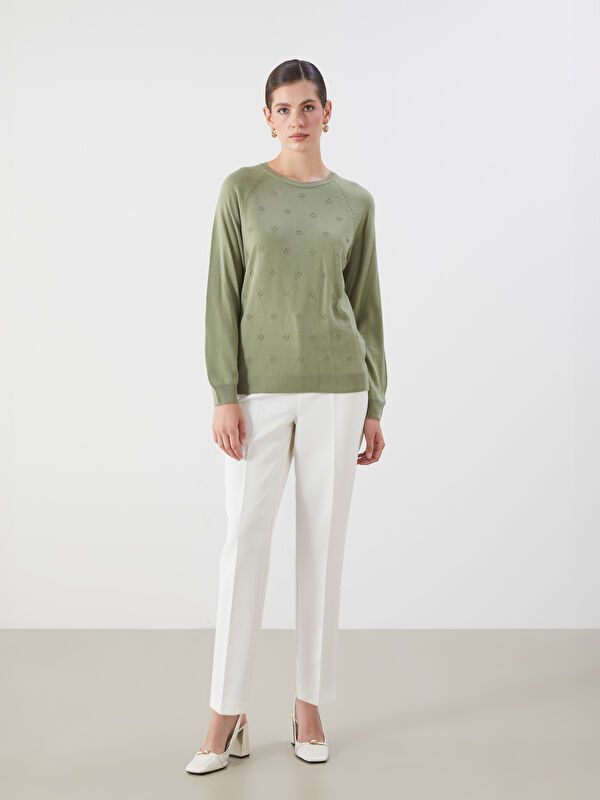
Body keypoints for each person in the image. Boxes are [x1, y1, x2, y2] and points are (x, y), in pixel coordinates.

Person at [185, 58, 387, 774]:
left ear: (328, 112)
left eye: (307, 106)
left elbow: (366, 306)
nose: (296, 119)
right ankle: (226, 713)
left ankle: (309, 707)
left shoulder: (355, 202)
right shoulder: (241, 190)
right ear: (266, 118)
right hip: (258, 394)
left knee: (322, 552)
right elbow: (222, 294)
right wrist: (223, 392)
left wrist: (375, 403)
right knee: (244, 546)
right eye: (283, 108)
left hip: (338, 389)